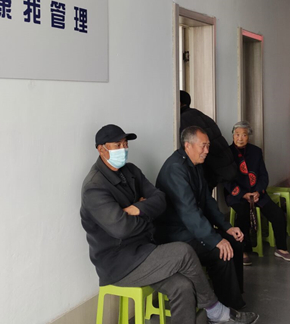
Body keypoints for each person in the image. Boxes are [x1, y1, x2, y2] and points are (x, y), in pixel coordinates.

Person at [81, 124, 258, 324]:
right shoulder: (95, 188)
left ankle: (223, 309)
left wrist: (138, 208)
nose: (124, 149)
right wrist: (147, 215)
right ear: (101, 149)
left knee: (183, 286)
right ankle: (216, 311)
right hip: (120, 263)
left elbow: (160, 199)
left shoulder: (130, 171)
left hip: (144, 250)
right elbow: (122, 228)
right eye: (117, 145)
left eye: (125, 144)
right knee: (184, 251)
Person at [156, 126, 250, 311]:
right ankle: (225, 312)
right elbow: (189, 212)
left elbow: (207, 200)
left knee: (235, 242)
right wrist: (216, 240)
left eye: (208, 146)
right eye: (203, 146)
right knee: (221, 252)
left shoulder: (195, 165)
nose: (207, 151)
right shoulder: (176, 169)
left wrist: (226, 227)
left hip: (191, 229)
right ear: (188, 145)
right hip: (176, 235)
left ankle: (235, 299)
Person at [225, 121, 290, 265]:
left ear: (248, 137)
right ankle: (242, 250)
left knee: (277, 213)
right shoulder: (227, 153)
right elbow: (226, 180)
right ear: (233, 136)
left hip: (257, 193)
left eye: (244, 135)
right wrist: (243, 194)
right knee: (243, 214)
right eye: (237, 134)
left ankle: (281, 249)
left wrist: (258, 191)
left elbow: (263, 175)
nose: (240, 138)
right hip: (237, 195)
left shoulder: (256, 152)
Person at [180, 90, 238, 189]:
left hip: (206, 170)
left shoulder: (183, 119)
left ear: (179, 103)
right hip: (218, 168)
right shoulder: (200, 115)